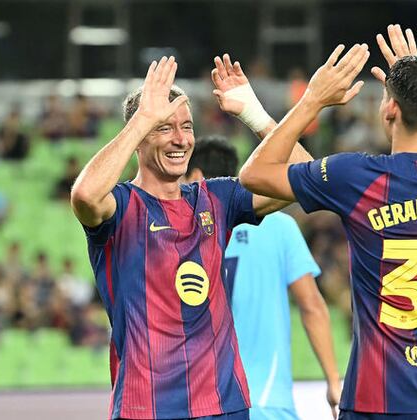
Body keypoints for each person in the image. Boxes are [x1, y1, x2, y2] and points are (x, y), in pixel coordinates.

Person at [238, 25, 417, 419]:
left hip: (383, 400)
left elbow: (254, 174)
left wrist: (311, 101)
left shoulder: (359, 176)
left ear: (390, 109)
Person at [70, 55, 329, 419]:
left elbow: (308, 179)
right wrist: (142, 119)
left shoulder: (216, 198)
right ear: (139, 138)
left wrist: (256, 116)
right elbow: (84, 195)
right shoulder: (122, 206)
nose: (180, 139)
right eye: (164, 128)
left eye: (187, 127)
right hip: (146, 406)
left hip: (224, 404)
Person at [186, 135, 341, 420]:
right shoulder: (280, 226)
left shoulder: (182, 235)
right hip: (268, 400)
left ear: (195, 176)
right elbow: (311, 305)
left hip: (204, 401)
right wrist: (333, 380)